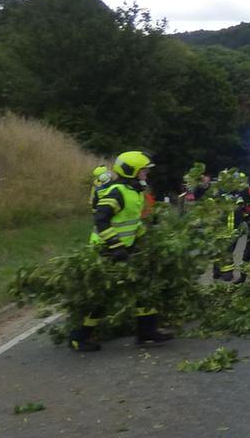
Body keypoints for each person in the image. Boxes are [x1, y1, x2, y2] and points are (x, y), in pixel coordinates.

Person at [68, 150, 174, 352]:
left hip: (126, 249)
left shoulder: (135, 192)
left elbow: (131, 222)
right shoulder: (117, 191)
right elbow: (101, 220)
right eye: (143, 170)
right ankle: (78, 338)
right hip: (105, 251)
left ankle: (147, 334)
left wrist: (146, 239)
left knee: (144, 288)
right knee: (101, 296)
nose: (146, 174)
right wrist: (115, 246)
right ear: (131, 171)